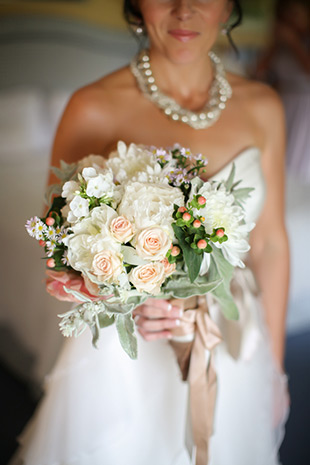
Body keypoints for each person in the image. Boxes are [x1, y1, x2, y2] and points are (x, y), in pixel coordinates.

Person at [11, 1, 289, 464]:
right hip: (126, 357)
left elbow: (271, 243)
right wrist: (123, 301)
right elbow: (57, 249)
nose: (184, 11)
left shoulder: (264, 107)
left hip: (234, 338)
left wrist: (275, 369)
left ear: (229, 8)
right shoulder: (92, 106)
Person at [255, 0, 310, 182]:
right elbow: (259, 75)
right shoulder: (280, 46)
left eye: (295, 15)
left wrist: (295, 44)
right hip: (283, 103)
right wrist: (274, 46)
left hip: (305, 107)